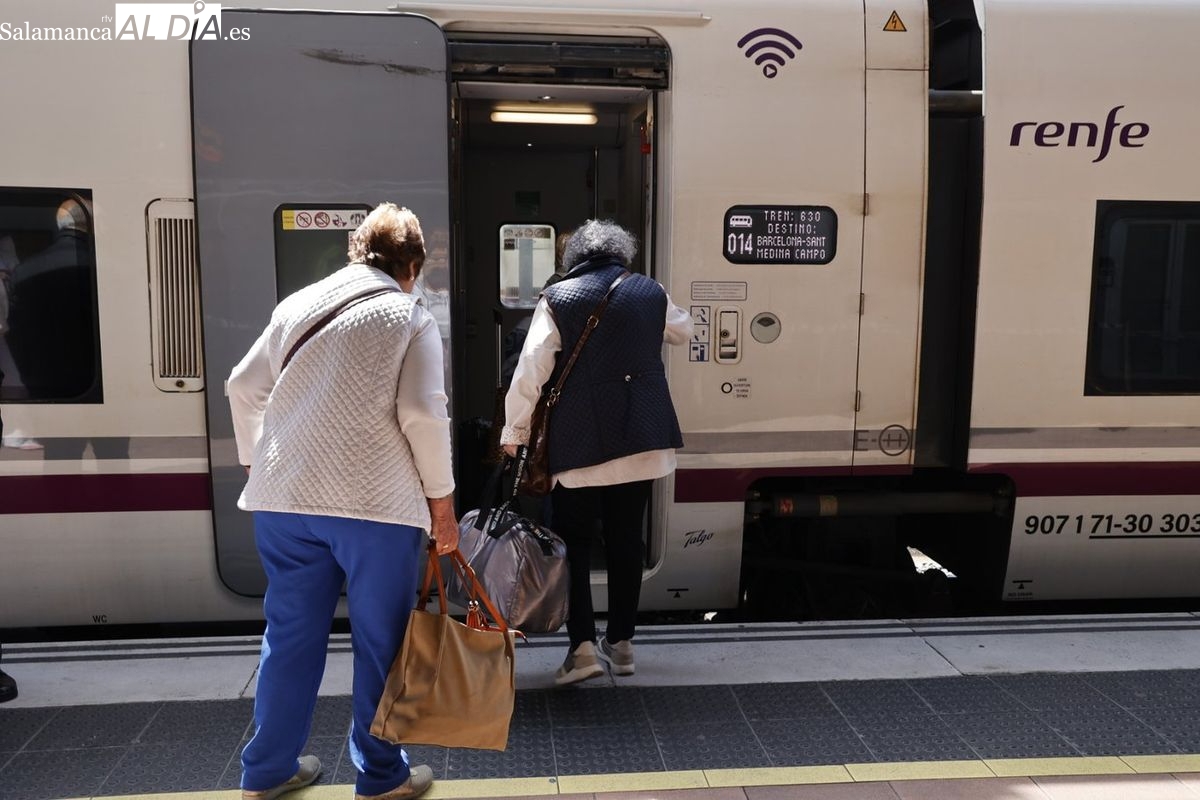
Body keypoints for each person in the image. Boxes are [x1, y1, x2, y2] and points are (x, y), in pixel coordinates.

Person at [228, 203, 458, 800]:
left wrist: (255, 460)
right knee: (380, 643)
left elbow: (241, 387)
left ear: (356, 252)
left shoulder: (297, 305)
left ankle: (267, 771)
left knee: (289, 636)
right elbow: (422, 413)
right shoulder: (409, 315)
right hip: (373, 506)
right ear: (412, 266)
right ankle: (380, 776)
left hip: (283, 502)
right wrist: (442, 504)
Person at [501, 219, 691, 685]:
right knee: (627, 541)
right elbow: (682, 331)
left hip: (580, 445)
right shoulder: (650, 291)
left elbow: (531, 370)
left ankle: (582, 648)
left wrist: (514, 431)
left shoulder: (558, 298)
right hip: (642, 439)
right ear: (621, 253)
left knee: (575, 545)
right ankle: (621, 645)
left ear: (573, 259)